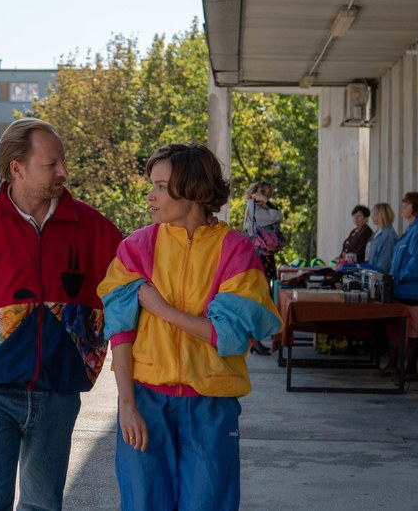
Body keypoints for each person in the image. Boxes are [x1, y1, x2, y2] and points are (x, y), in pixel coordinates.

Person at [0, 118, 122, 510]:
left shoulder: (95, 229)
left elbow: (132, 292)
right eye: (51, 164)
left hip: (59, 395)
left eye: (62, 161)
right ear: (17, 168)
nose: (63, 172)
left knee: (43, 505)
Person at [97, 143, 282, 511]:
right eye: (152, 185)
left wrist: (160, 309)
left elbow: (228, 336)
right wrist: (127, 405)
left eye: (162, 187)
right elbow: (120, 331)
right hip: (145, 401)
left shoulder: (236, 250)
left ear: (195, 191)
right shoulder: (136, 247)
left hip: (211, 404)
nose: (151, 196)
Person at [383, 192, 418, 382]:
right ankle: (394, 366)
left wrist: (399, 277)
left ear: (416, 208)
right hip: (403, 290)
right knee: (397, 329)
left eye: (406, 205)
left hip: (412, 292)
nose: (403, 208)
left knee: (412, 332)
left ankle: (410, 370)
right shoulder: (412, 230)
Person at [242, 181, 283, 355]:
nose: (268, 197)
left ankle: (255, 340)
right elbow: (277, 216)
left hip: (261, 255)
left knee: (260, 298)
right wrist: (265, 204)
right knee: (259, 298)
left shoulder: (256, 207)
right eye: (266, 194)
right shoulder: (255, 208)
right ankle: (255, 340)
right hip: (260, 257)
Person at [365, 202, 397, 273]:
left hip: (379, 277)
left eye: (375, 215)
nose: (372, 217)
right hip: (372, 273)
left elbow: (384, 264)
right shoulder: (378, 231)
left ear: (383, 216)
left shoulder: (388, 236)